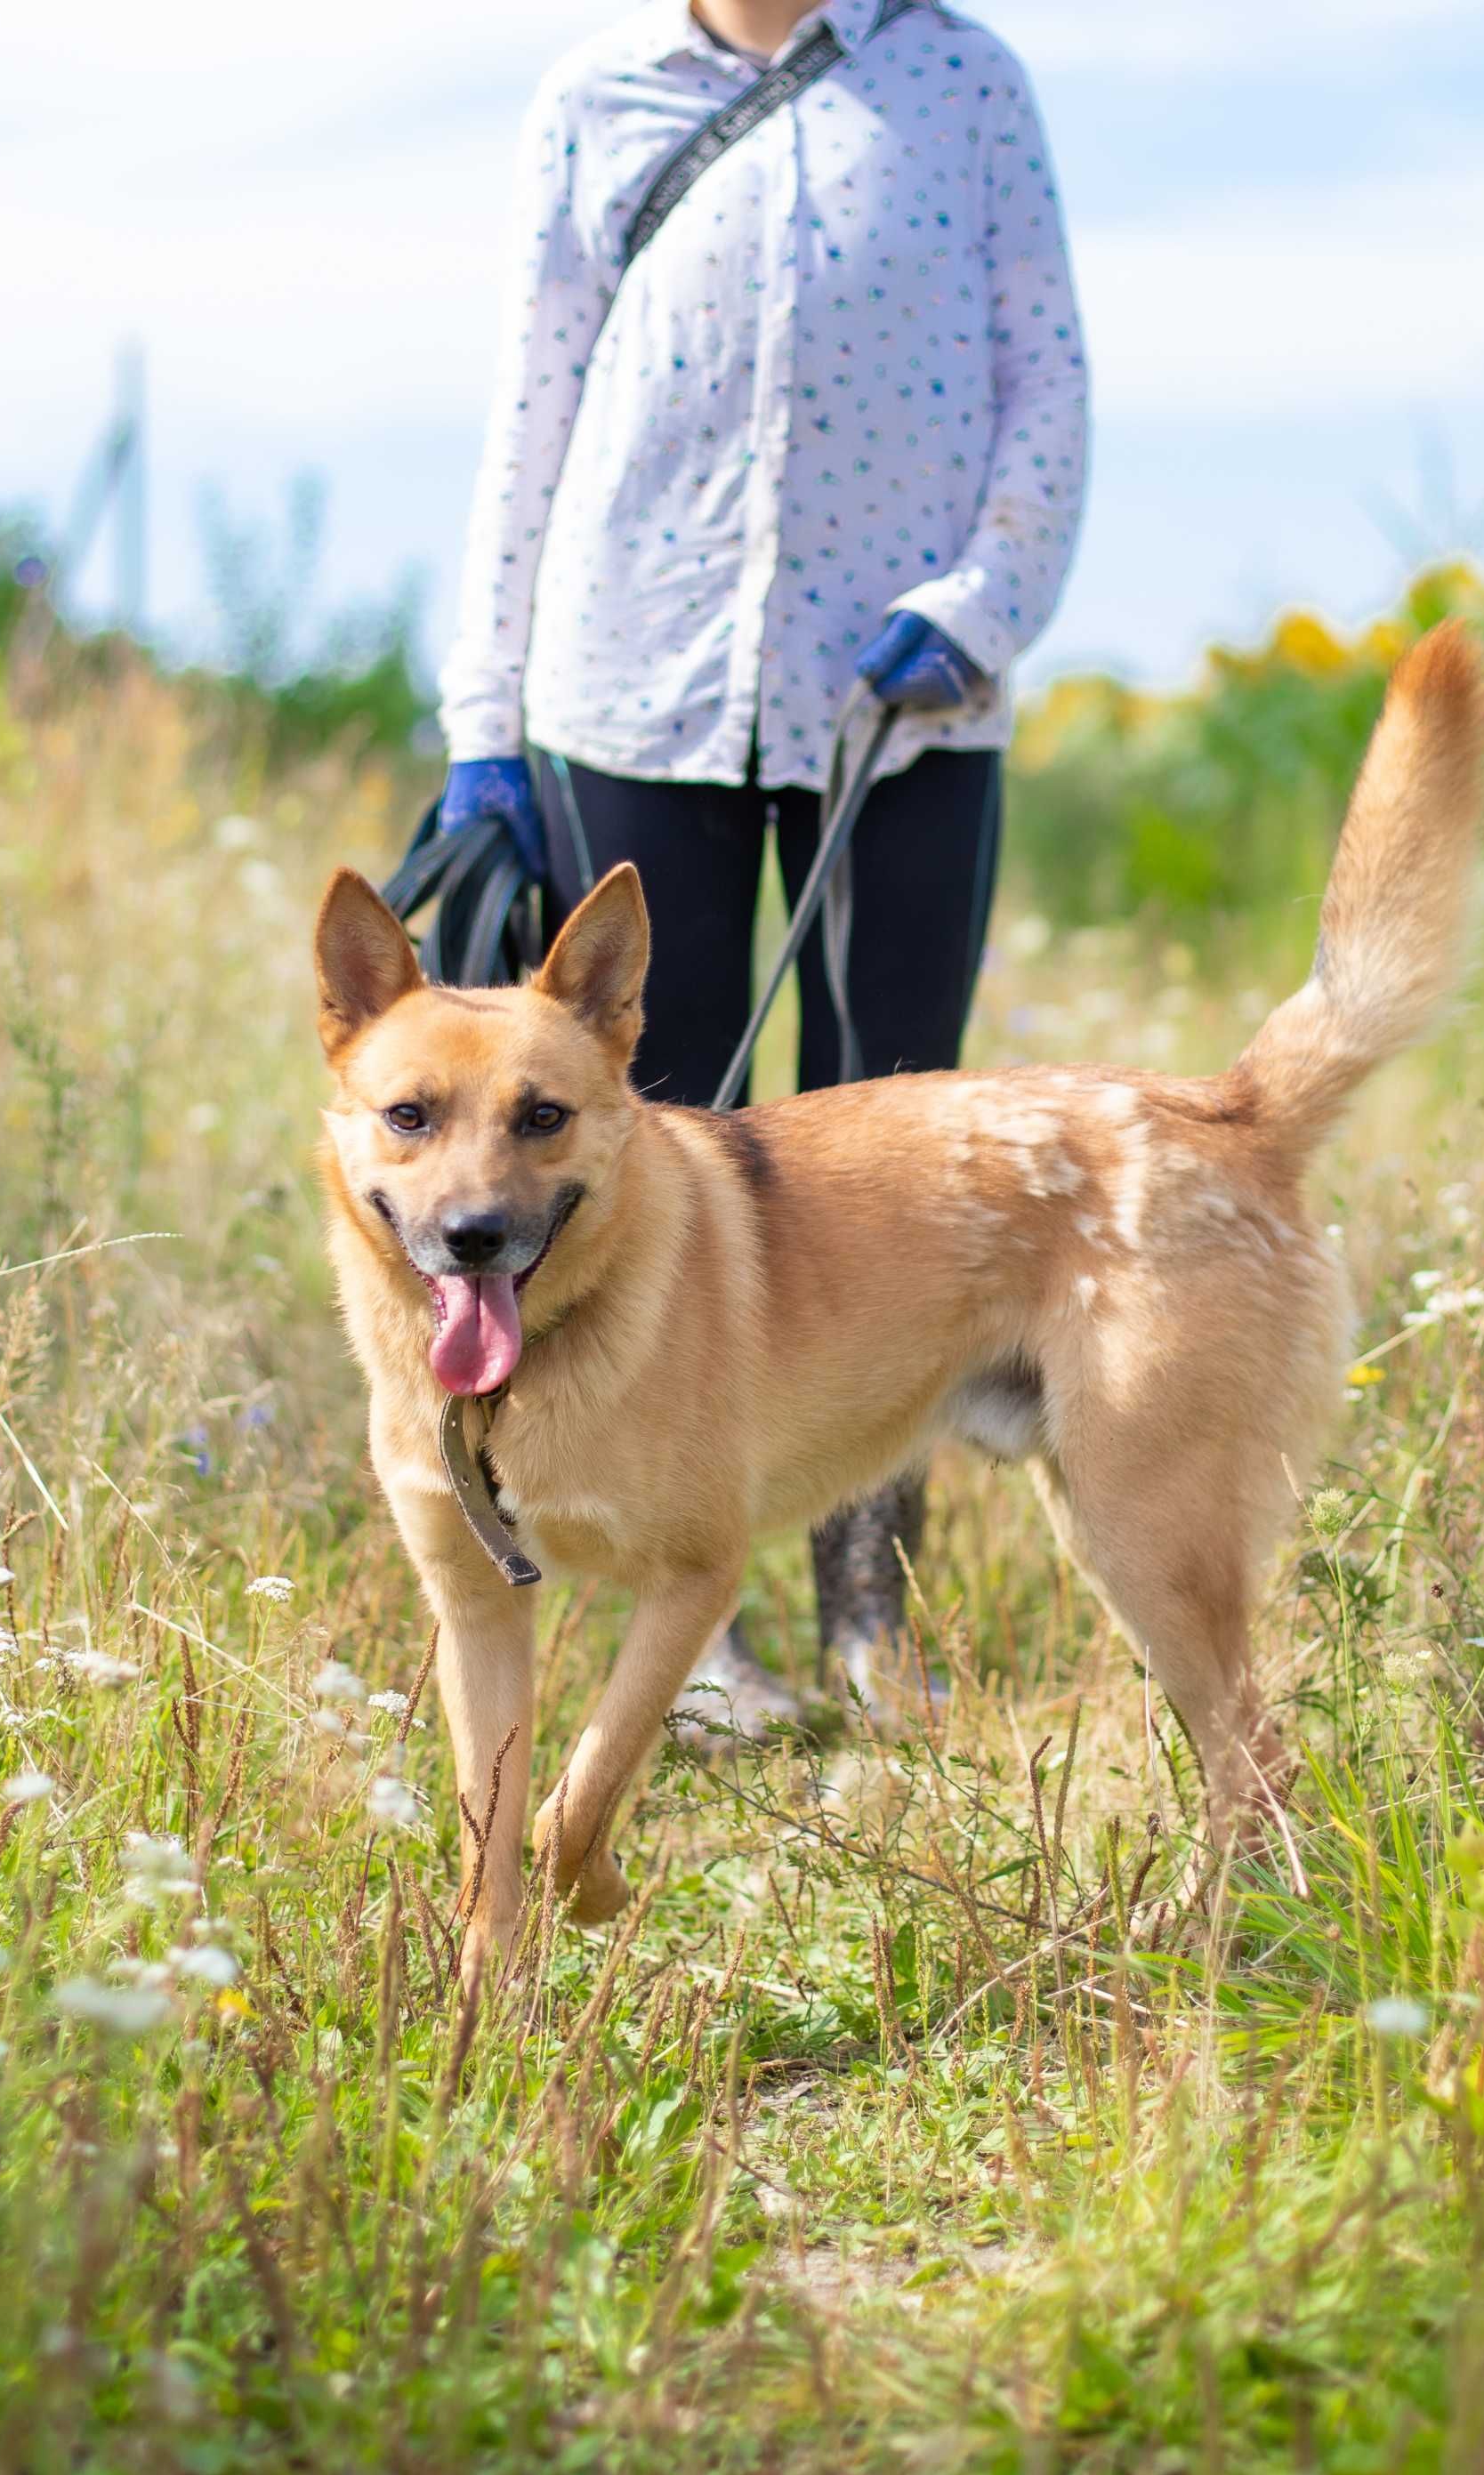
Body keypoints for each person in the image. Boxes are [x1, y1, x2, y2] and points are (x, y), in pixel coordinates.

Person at [437, 0, 1087, 1733]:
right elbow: (530, 423)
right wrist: (480, 727)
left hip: (906, 707)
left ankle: (878, 1620)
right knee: (646, 1158)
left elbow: (1049, 391)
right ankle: (695, 1626)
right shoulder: (596, 93)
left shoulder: (960, 79)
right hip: (631, 685)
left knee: (897, 1170)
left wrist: (981, 601)